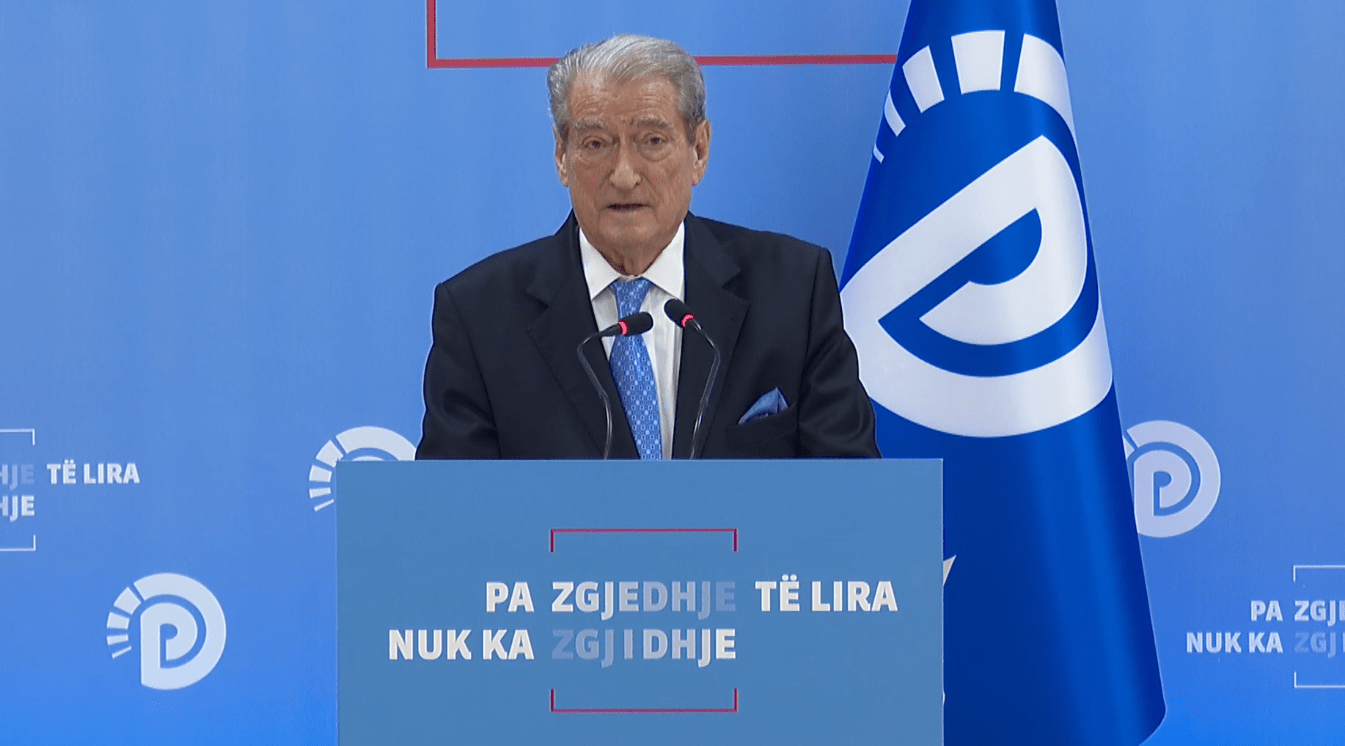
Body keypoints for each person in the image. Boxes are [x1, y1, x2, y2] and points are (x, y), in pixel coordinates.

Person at [416, 34, 878, 460]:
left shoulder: (793, 290)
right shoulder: (479, 317)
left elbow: (853, 494)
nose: (623, 175)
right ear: (562, 155)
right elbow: (449, 510)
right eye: (596, 143)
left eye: (652, 140)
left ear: (698, 150)